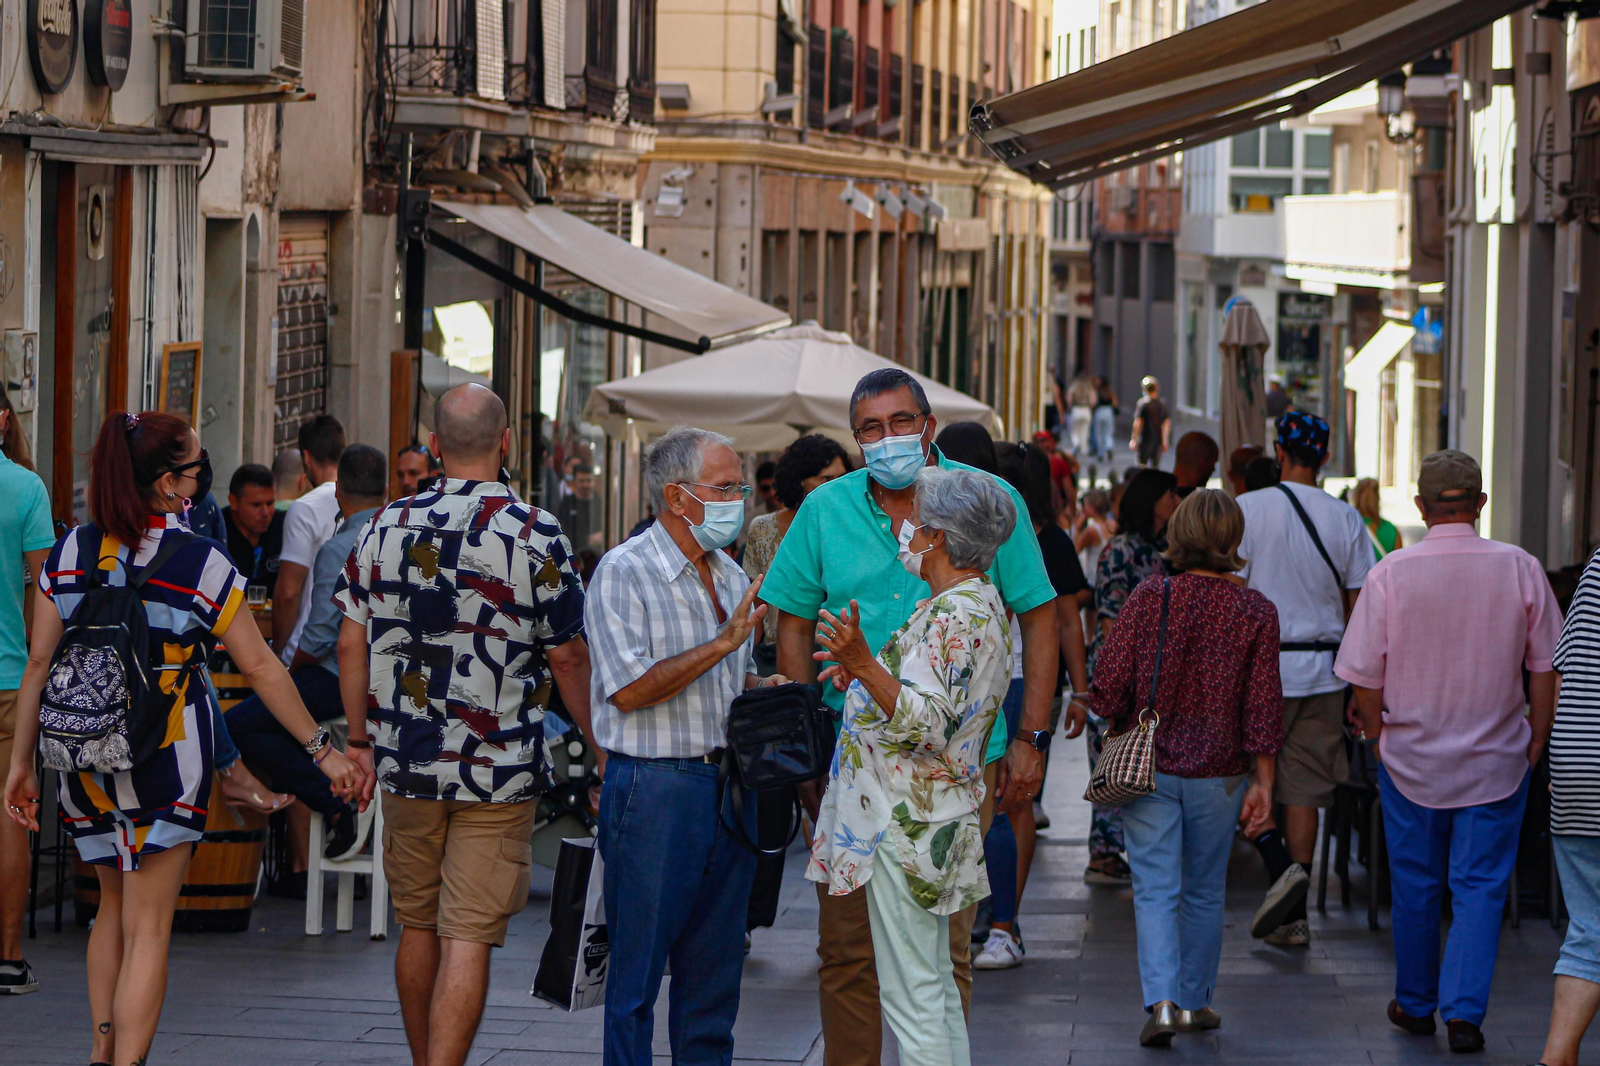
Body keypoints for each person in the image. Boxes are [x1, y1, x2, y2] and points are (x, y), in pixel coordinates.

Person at [4, 410, 363, 1065]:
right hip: (167, 757)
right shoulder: (199, 562)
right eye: (195, 469)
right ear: (169, 483)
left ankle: (98, 1051)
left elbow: (37, 664)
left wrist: (21, 765)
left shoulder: (72, 551)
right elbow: (259, 668)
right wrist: (323, 750)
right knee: (149, 928)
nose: (199, 482)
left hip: (85, 755)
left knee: (109, 912)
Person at [762, 368, 1071, 1066]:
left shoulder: (982, 501)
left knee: (943, 952)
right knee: (846, 953)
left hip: (953, 764)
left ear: (928, 426)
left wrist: (1032, 737)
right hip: (856, 764)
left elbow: (1041, 614)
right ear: (855, 438)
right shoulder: (826, 509)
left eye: (900, 422)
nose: (886, 438)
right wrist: (803, 737)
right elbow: (792, 618)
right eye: (870, 428)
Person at [334, 384, 592, 1066]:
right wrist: (599, 744)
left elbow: (347, 642)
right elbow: (567, 653)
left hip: (404, 760)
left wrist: (359, 742)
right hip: (498, 766)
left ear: (436, 447)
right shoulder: (537, 531)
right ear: (505, 442)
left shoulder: (383, 525)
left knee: (416, 924)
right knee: (468, 936)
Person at [1335, 450, 1560, 1052]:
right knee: (1481, 886)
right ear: (1480, 504)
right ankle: (1463, 1015)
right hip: (1497, 758)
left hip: (1411, 758)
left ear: (1421, 508)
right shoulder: (1520, 567)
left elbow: (1362, 672)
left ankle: (1414, 1003)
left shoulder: (1392, 574)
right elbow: (1545, 666)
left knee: (1415, 883)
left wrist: (1379, 735)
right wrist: (1537, 734)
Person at [809, 467, 1017, 1064]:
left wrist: (863, 665)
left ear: (942, 538)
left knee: (915, 997)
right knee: (934, 991)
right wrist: (867, 678)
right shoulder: (971, 606)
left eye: (917, 523)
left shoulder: (956, 612)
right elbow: (935, 702)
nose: (906, 531)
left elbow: (927, 724)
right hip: (928, 819)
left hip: (903, 826)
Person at [585, 427, 778, 1066]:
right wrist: (724, 645)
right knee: (637, 979)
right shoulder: (624, 571)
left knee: (714, 980)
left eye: (740, 487)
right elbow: (630, 689)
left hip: (728, 787)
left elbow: (722, 678)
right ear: (676, 496)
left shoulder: (727, 573)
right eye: (724, 488)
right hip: (654, 787)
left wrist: (761, 683)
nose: (739, 500)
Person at [1089, 489, 1283, 1047]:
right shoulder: (1257, 610)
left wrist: (1098, 706)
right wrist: (1264, 783)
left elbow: (1110, 683)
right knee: (1204, 890)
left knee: (1154, 888)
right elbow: (1263, 705)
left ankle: (1165, 1003)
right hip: (1221, 774)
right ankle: (1197, 1003)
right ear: (1233, 540)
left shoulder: (1153, 596)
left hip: (1148, 767)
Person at [226, 445, 389, 895]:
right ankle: (341, 803)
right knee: (279, 718)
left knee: (238, 726)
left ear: (337, 491)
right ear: (387, 491)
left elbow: (319, 639)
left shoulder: (340, 547)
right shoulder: (402, 538)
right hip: (390, 686)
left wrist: (285, 671)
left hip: (342, 680)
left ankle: (336, 804)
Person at [1235, 411, 1371, 947]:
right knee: (1305, 792)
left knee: (1250, 778)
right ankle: (1295, 914)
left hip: (1258, 672)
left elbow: (1233, 595)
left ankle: (1278, 883)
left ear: (1278, 450)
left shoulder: (1246, 509)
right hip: (1324, 673)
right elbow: (1361, 612)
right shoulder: (1346, 519)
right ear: (1327, 456)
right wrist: (1361, 690)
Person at [973, 442, 1091, 971]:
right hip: (981, 679)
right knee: (998, 803)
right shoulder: (959, 526)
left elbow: (1062, 622)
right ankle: (995, 914)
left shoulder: (1046, 541)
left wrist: (1080, 691)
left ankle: (1005, 919)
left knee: (1008, 802)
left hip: (1020, 679)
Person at [743, 433, 850, 936]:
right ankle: (750, 914)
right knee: (771, 787)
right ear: (800, 480)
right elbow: (756, 598)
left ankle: (834, 897)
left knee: (819, 792)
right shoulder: (767, 529)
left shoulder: (848, 527)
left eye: (839, 476)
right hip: (770, 660)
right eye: (825, 477)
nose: (835, 485)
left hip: (829, 658)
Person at [1086, 468, 1179, 884]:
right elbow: (1109, 622)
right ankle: (1104, 853)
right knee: (1113, 760)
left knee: (1143, 765)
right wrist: (1127, 682)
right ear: (1151, 500)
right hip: (1121, 672)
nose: (1176, 500)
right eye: (1169, 494)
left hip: (1159, 675)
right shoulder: (1119, 550)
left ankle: (1132, 851)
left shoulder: (1172, 551)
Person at [1538, 546, 1600, 1066]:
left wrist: (1561, 756)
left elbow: (1564, 670)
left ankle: (1557, 1056)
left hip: (1578, 759)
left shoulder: (1598, 566)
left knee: (1590, 923)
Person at [0, 393, 51, 997]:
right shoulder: (26, 489)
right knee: (12, 815)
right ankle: (8, 956)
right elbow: (46, 593)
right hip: (13, 676)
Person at [273, 415, 346, 664]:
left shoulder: (304, 508)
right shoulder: (366, 503)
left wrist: (281, 652)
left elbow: (288, 593)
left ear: (306, 458)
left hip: (305, 649)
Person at [222, 462, 285, 595]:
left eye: (270, 503)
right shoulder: (218, 529)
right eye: (256, 505)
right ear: (234, 502)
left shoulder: (286, 526)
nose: (265, 512)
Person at [1350, 477, 1403, 560]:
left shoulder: (1350, 528)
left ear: (1356, 498)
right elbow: (1398, 565)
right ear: (1377, 499)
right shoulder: (1392, 530)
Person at [556, 464, 604, 552]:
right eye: (582, 481)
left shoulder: (600, 503)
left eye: (588, 481)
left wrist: (602, 536)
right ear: (574, 482)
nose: (585, 485)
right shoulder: (567, 504)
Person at [1130, 377, 1170, 467]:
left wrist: (1134, 439)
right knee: (1155, 466)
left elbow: (1138, 422)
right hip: (1158, 440)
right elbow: (1166, 424)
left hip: (1145, 439)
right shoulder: (1162, 404)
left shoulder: (1143, 404)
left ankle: (1143, 481)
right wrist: (1165, 441)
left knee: (1141, 464)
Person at [1172, 432, 1220, 498]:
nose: (1213, 469)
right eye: (1213, 463)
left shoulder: (1159, 498)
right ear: (1202, 461)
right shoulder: (1202, 504)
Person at [1067, 373, 1099, 459]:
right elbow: (1093, 401)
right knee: (1085, 432)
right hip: (1086, 409)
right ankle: (1083, 450)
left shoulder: (1074, 386)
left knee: (1074, 431)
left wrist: (1069, 407)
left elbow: (1069, 398)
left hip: (1076, 408)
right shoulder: (1089, 387)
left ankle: (1076, 443)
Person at [1092, 378, 1119, 462]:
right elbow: (1115, 403)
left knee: (1099, 433)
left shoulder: (1097, 392)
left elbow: (1093, 402)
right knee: (1108, 432)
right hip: (1108, 411)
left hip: (1099, 411)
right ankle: (1109, 446)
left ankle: (1100, 453)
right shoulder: (1110, 393)